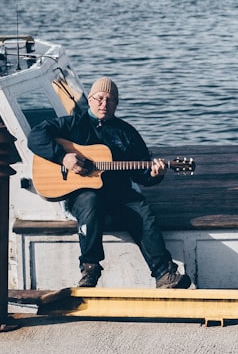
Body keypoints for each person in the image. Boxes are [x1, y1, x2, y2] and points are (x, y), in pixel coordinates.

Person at [28, 77, 191, 289]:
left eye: (110, 100)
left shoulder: (126, 133)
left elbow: (142, 174)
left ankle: (164, 273)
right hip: (81, 194)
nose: (104, 104)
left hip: (118, 193)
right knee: (90, 202)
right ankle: (90, 269)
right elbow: (35, 136)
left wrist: (155, 173)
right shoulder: (73, 124)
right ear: (90, 99)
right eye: (99, 98)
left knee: (144, 212)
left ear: (116, 104)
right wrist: (64, 157)